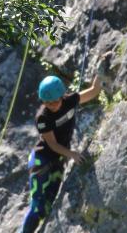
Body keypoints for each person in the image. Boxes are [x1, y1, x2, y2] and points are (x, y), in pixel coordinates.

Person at [20, 72, 102, 233]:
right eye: (47, 102)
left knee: (49, 204)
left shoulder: (69, 101)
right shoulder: (43, 117)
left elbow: (93, 91)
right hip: (41, 160)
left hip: (58, 160)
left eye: (54, 101)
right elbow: (52, 144)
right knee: (38, 206)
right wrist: (72, 154)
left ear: (62, 96)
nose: (51, 105)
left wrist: (100, 71)